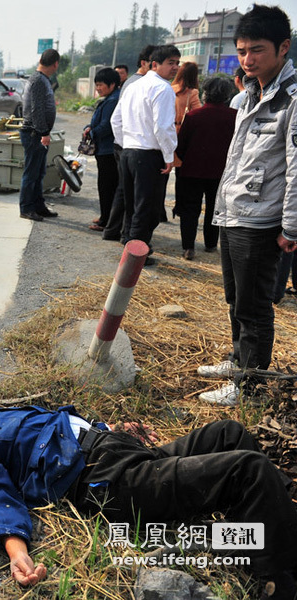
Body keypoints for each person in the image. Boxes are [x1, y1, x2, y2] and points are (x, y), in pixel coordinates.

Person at [0, 393, 297, 598]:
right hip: (105, 478)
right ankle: (276, 579)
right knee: (248, 469)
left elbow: (64, 429)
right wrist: (17, 551)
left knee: (229, 432)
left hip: (116, 450)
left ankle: (266, 530)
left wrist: (112, 430)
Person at [198, 4, 297, 406]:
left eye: (256, 49)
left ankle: (249, 386)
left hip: (262, 221)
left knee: (254, 307)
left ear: (283, 48)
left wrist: (290, 227)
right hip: (234, 212)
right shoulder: (250, 92)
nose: (247, 59)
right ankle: (238, 359)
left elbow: (296, 168)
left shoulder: (290, 99)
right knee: (234, 299)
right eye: (241, 50)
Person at [111, 44, 181, 266]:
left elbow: (116, 121)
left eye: (177, 63)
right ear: (154, 64)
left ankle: (129, 242)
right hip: (148, 154)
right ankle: (135, 254)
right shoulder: (163, 88)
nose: (175, 68)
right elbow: (163, 127)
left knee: (133, 203)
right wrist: (170, 155)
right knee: (147, 206)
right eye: (170, 63)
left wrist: (126, 145)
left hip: (129, 152)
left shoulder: (133, 86)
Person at [173, 77, 237, 260]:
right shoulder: (235, 116)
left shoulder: (193, 116)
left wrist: (188, 158)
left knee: (190, 209)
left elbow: (181, 145)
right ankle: (210, 244)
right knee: (214, 208)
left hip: (192, 170)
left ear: (205, 93)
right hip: (221, 172)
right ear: (227, 95)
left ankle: (188, 247)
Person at [103, 45, 157, 242]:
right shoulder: (139, 84)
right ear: (144, 63)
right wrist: (126, 142)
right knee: (134, 197)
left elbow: (117, 119)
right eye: (154, 61)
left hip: (127, 146)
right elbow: (118, 119)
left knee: (125, 192)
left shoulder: (134, 83)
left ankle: (115, 231)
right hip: (133, 147)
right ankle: (128, 236)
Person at [18, 49, 61, 222]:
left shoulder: (41, 80)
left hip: (38, 134)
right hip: (34, 133)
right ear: (55, 64)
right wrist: (44, 132)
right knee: (31, 173)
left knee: (39, 172)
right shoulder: (37, 80)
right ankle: (26, 208)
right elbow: (36, 110)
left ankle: (38, 205)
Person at [84, 68, 121, 232]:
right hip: (106, 150)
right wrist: (90, 127)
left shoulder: (113, 100)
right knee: (108, 186)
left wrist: (92, 132)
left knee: (107, 187)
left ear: (112, 84)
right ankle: (106, 217)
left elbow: (107, 126)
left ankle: (106, 220)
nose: (98, 88)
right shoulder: (110, 98)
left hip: (108, 150)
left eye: (100, 85)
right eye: (96, 85)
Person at [172, 62, 202, 134]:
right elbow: (198, 113)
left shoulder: (170, 89)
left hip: (170, 129)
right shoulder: (192, 92)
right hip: (183, 130)